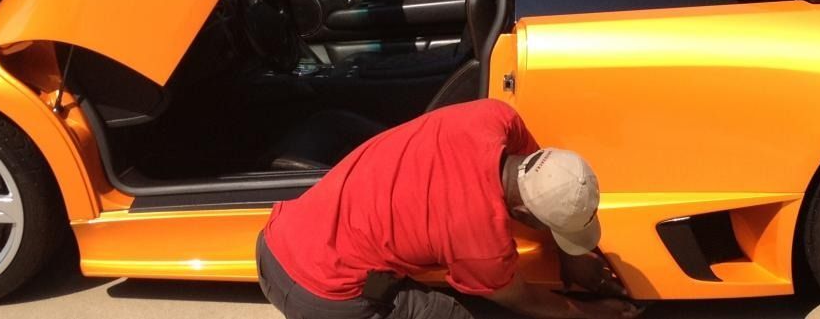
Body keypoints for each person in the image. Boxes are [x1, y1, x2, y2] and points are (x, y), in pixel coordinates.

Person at [256, 99, 640, 318]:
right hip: (321, 296)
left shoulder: (494, 117)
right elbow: (525, 300)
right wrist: (592, 313)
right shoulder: (480, 242)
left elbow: (543, 184)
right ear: (522, 214)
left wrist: (568, 254)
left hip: (275, 238)